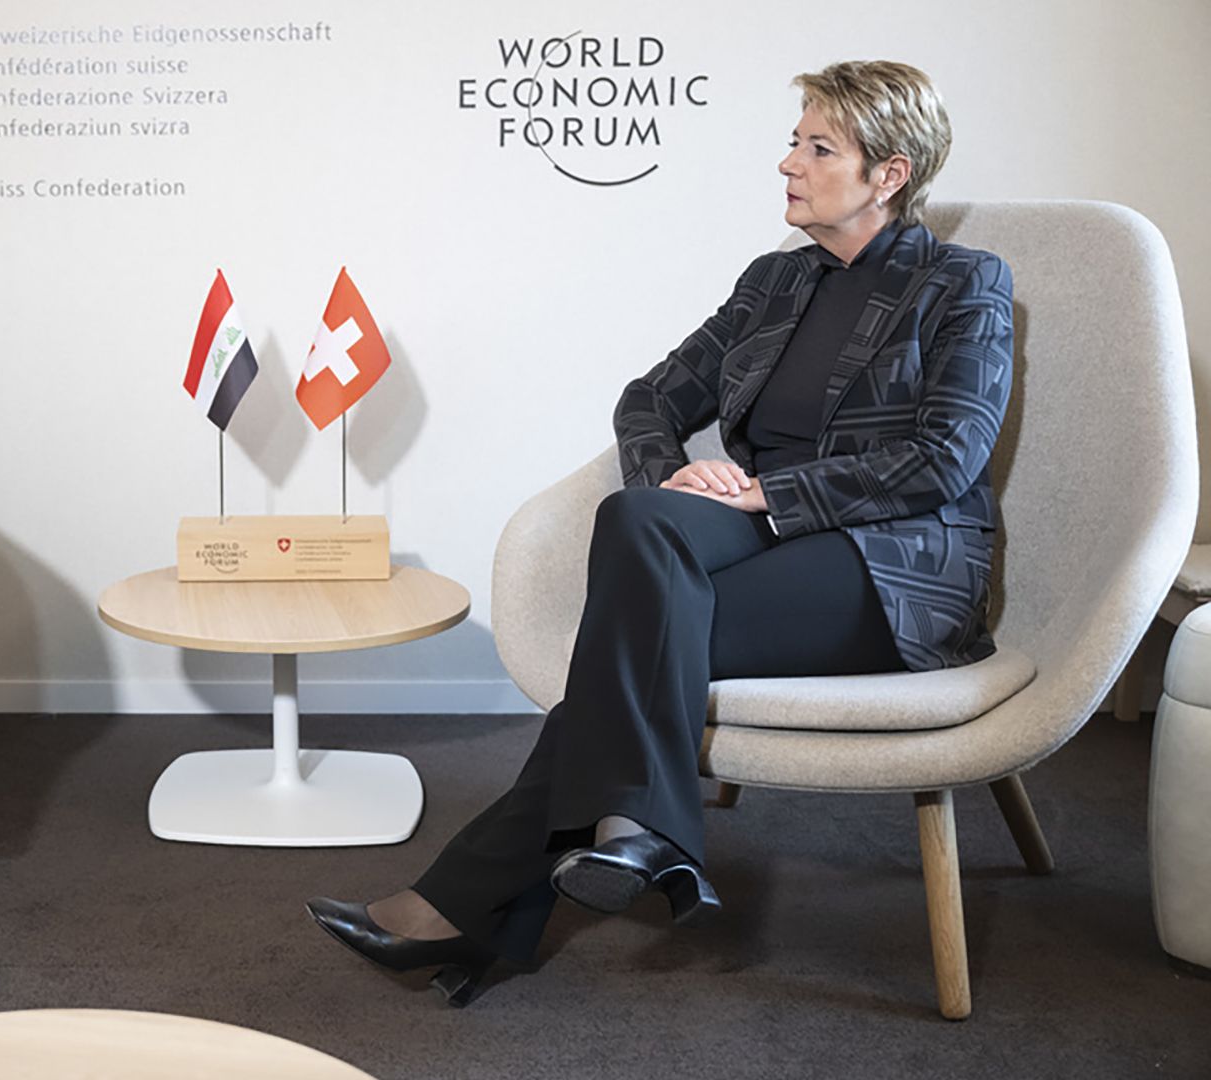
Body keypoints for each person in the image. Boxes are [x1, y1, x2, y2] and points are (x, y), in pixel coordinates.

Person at [307, 60, 1014, 1006]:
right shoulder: (773, 283)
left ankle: (481, 904)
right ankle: (643, 837)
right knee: (637, 515)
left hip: (894, 565)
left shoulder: (962, 282)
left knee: (624, 654)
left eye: (817, 147)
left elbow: (948, 456)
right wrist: (674, 472)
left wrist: (768, 493)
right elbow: (648, 397)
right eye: (794, 141)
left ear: (887, 174)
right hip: (765, 535)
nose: (787, 164)